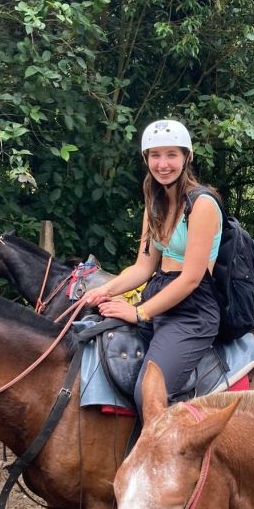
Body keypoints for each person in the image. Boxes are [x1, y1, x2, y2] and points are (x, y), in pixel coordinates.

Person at [83, 119, 222, 417]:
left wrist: (139, 313)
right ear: (146, 159)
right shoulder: (155, 205)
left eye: (171, 154)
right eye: (155, 155)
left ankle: (167, 461)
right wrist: (101, 290)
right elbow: (143, 268)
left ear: (187, 157)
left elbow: (191, 279)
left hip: (192, 312)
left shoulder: (203, 205)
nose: (163, 164)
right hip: (157, 297)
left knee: (148, 392)